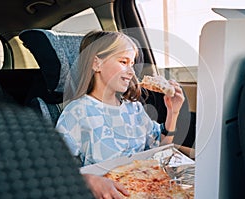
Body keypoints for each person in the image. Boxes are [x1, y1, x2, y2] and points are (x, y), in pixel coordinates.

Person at [55, 30, 185, 198]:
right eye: (124, 62)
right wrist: (88, 180)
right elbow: (56, 170)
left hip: (147, 187)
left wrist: (173, 113)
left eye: (131, 63)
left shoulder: (134, 108)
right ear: (97, 64)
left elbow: (160, 148)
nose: (131, 72)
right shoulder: (77, 113)